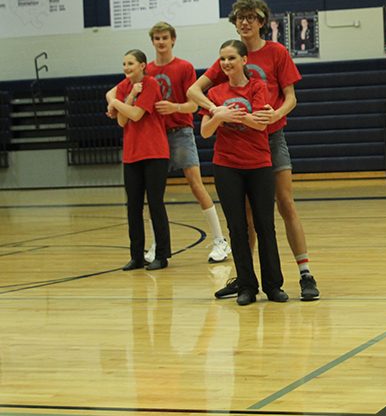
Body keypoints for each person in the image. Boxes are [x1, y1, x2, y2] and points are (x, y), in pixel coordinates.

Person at [188, 0, 319, 301]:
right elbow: (195, 90)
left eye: (250, 17)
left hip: (270, 138)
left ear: (262, 21)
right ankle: (244, 278)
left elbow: (291, 96)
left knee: (284, 202)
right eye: (239, 18)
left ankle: (304, 273)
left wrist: (277, 113)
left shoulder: (276, 52)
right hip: (237, 143)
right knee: (244, 215)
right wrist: (214, 111)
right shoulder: (230, 55)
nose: (244, 22)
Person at [107, 22, 231, 264]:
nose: (161, 42)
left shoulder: (183, 67)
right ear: (152, 42)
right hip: (154, 134)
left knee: (195, 184)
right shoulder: (146, 69)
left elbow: (194, 105)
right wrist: (112, 100)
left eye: (165, 37)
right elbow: (115, 90)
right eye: (156, 38)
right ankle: (156, 245)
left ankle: (219, 240)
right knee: (154, 196)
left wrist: (174, 107)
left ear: (173, 40)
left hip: (180, 130)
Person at [199, 40, 288, 306]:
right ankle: (247, 286)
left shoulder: (258, 86)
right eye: (222, 59)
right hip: (227, 165)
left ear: (244, 60)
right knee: (237, 228)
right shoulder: (214, 93)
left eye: (231, 58)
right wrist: (218, 116)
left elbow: (260, 123)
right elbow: (205, 131)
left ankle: (273, 285)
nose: (226, 63)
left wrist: (230, 116)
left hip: (259, 163)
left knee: (265, 225)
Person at [107, 49, 171, 271]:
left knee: (155, 203)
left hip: (154, 152)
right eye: (124, 64)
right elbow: (123, 121)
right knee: (133, 206)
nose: (126, 68)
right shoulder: (126, 87)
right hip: (131, 154)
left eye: (131, 63)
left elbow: (135, 115)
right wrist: (129, 97)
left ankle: (162, 256)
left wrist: (116, 104)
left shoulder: (151, 83)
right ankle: (136, 255)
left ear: (142, 65)